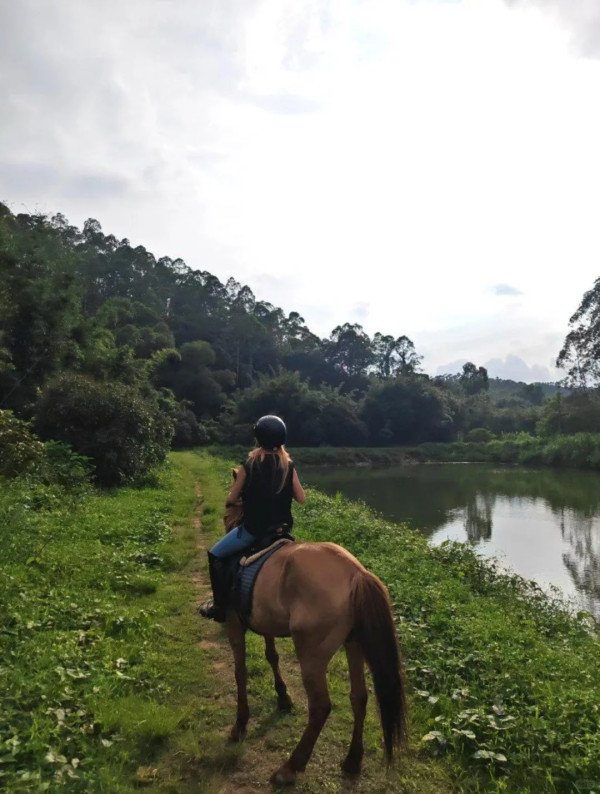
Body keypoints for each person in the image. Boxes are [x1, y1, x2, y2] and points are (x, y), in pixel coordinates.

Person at [199, 415, 306, 622]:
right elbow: (301, 499)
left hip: (253, 531)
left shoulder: (249, 466)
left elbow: (231, 499)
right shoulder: (288, 466)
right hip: (282, 530)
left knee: (215, 554)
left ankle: (219, 606)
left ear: (259, 438)